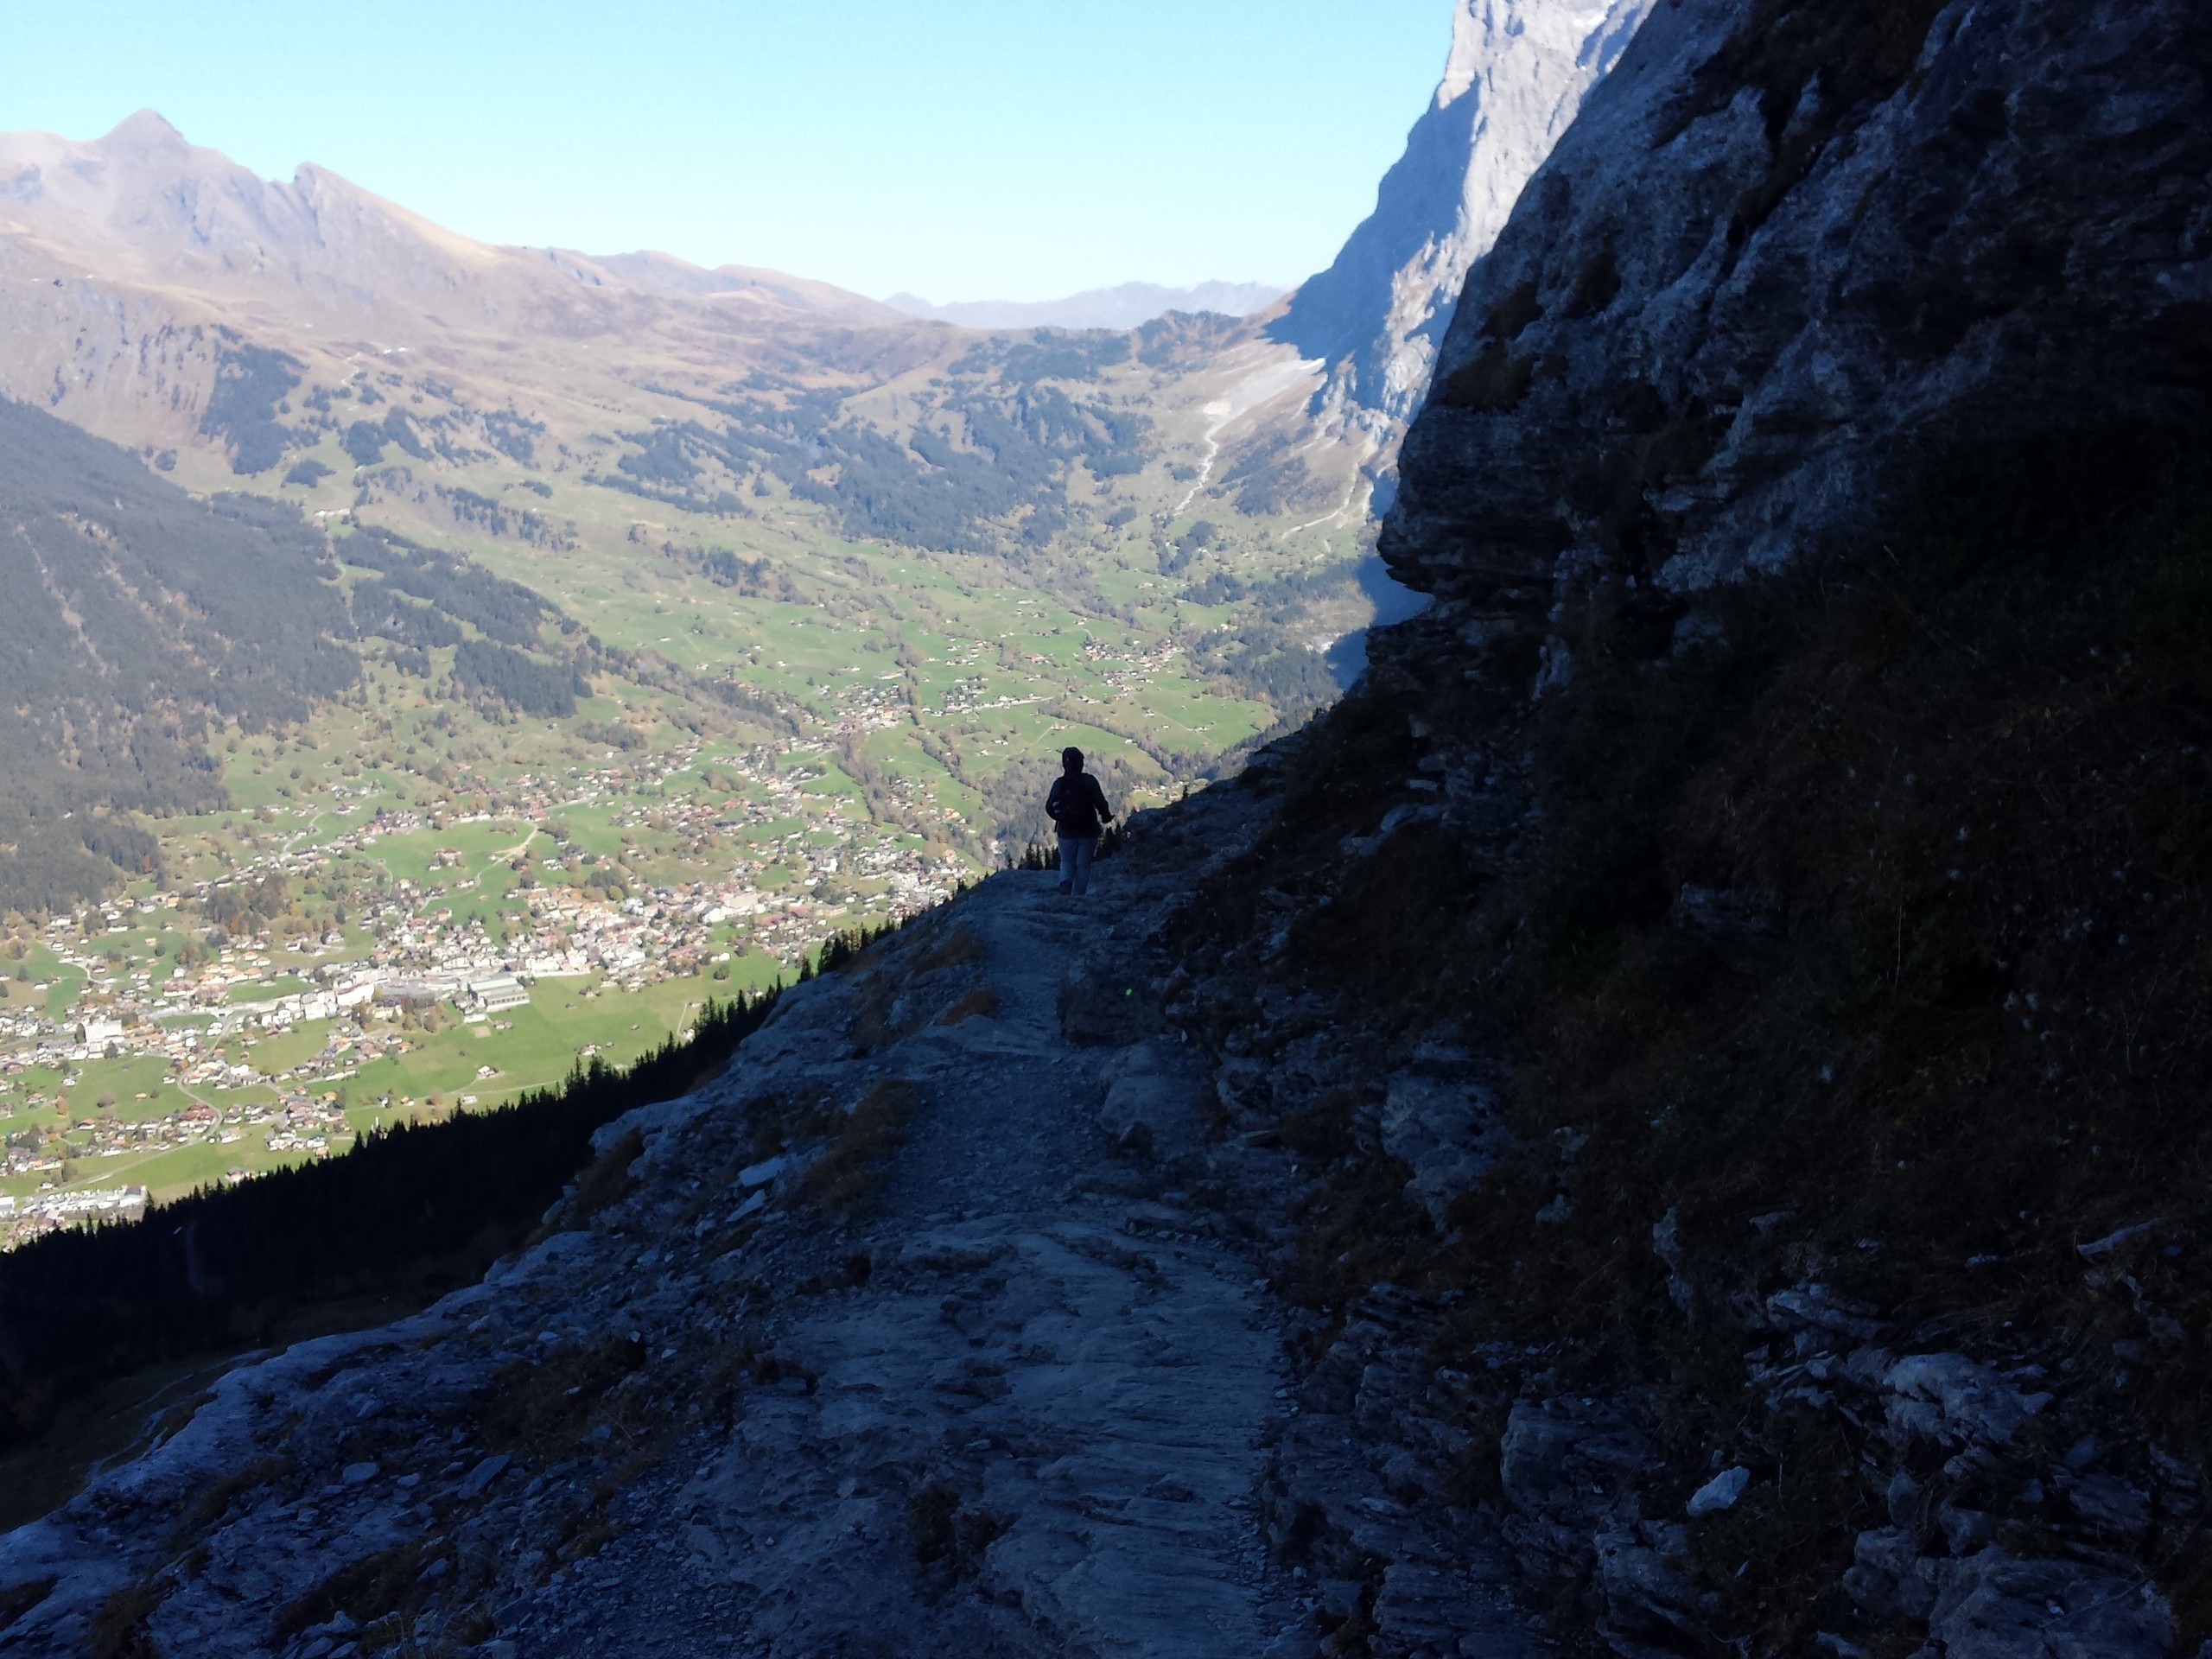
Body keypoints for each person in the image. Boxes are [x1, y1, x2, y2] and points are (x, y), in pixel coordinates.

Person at [1044, 747, 1113, 896]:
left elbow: (1049, 806)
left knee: (1067, 862)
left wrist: (1060, 818)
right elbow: (1100, 802)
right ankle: (1079, 896)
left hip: (1066, 830)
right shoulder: (1089, 781)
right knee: (1083, 866)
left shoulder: (1059, 784)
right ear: (1081, 763)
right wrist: (1106, 816)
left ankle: (1065, 887)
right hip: (1088, 831)